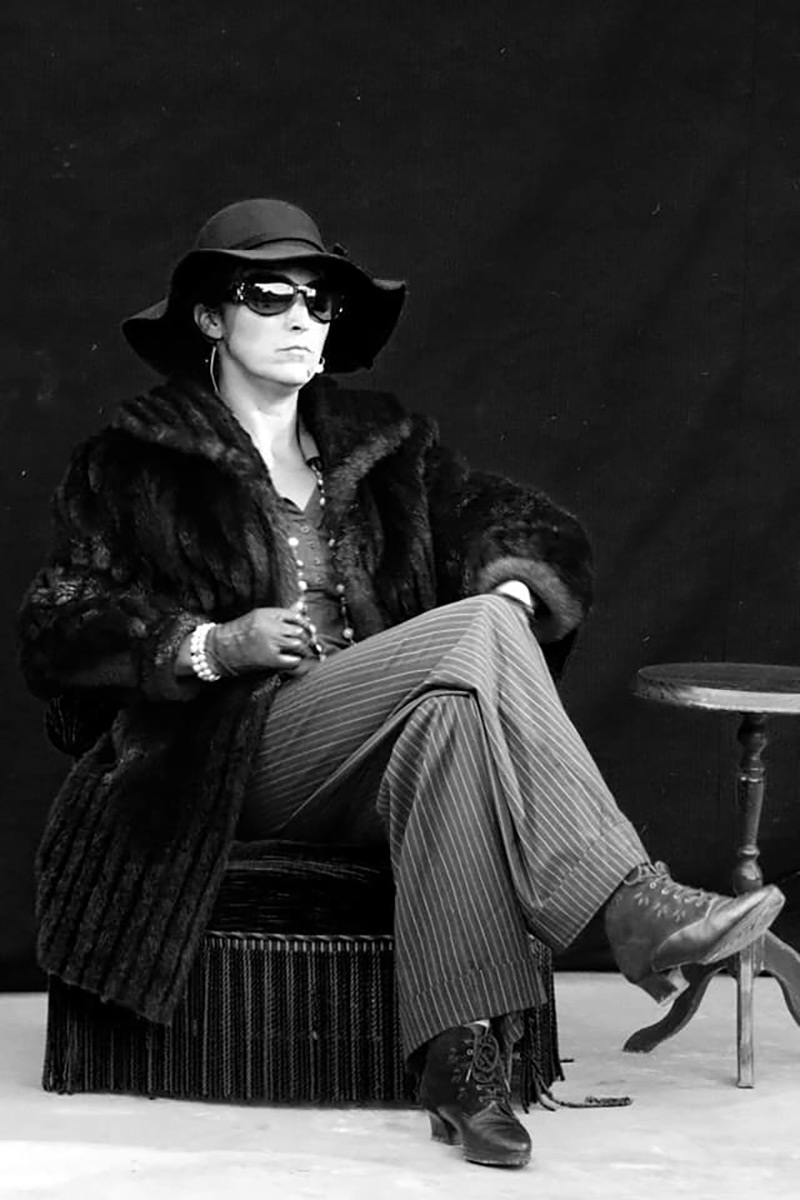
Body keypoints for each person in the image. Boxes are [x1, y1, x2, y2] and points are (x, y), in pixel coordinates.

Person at [18, 198, 783, 1170]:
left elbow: (520, 524)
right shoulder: (130, 464)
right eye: (269, 295)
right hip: (223, 761)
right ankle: (628, 900)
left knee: (452, 714)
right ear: (210, 316)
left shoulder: (384, 449)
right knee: (474, 634)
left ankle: (457, 1062)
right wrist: (212, 643)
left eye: (320, 302)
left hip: (377, 749)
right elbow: (60, 622)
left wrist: (512, 584)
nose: (302, 319)